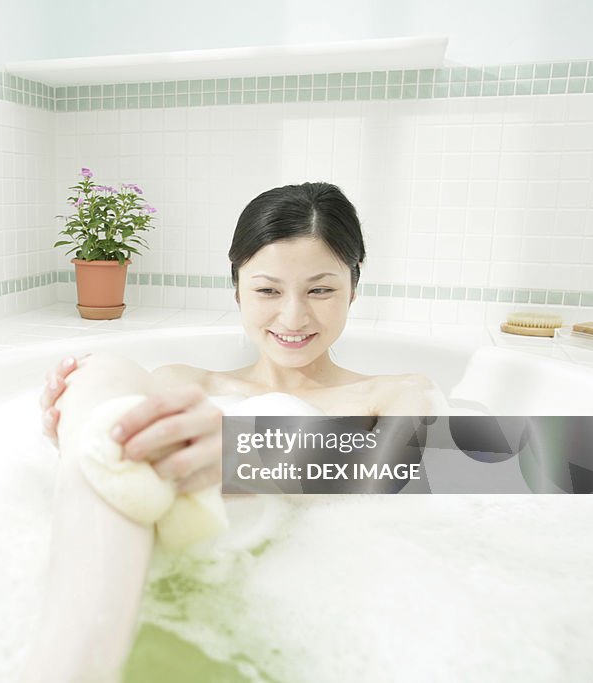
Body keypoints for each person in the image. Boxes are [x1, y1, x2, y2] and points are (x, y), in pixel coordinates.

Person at [24, 182, 447, 682]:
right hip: (151, 584)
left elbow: (407, 467)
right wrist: (80, 437)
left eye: (321, 289)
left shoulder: (394, 394)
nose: (293, 316)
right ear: (237, 290)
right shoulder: (186, 382)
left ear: (353, 288)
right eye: (268, 290)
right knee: (101, 368)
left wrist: (248, 452)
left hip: (289, 617)